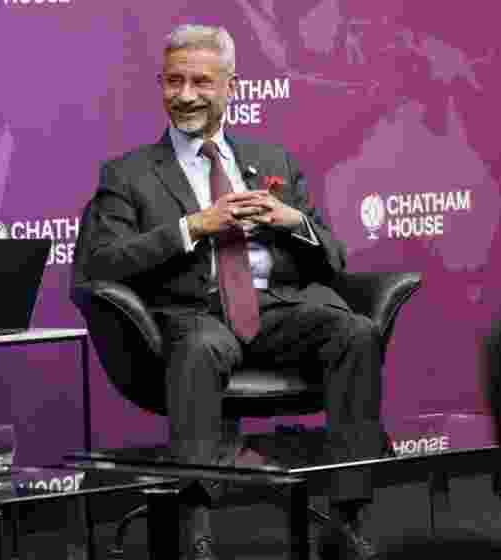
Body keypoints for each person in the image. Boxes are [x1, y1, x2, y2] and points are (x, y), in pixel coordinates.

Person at [72, 25, 388, 560]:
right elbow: (97, 265)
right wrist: (192, 227)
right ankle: (192, 527)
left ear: (231, 87)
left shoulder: (274, 161)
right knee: (201, 348)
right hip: (192, 316)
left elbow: (334, 260)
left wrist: (293, 222)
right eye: (174, 81)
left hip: (275, 311)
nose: (187, 94)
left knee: (356, 332)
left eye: (201, 81)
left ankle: (347, 517)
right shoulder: (127, 175)